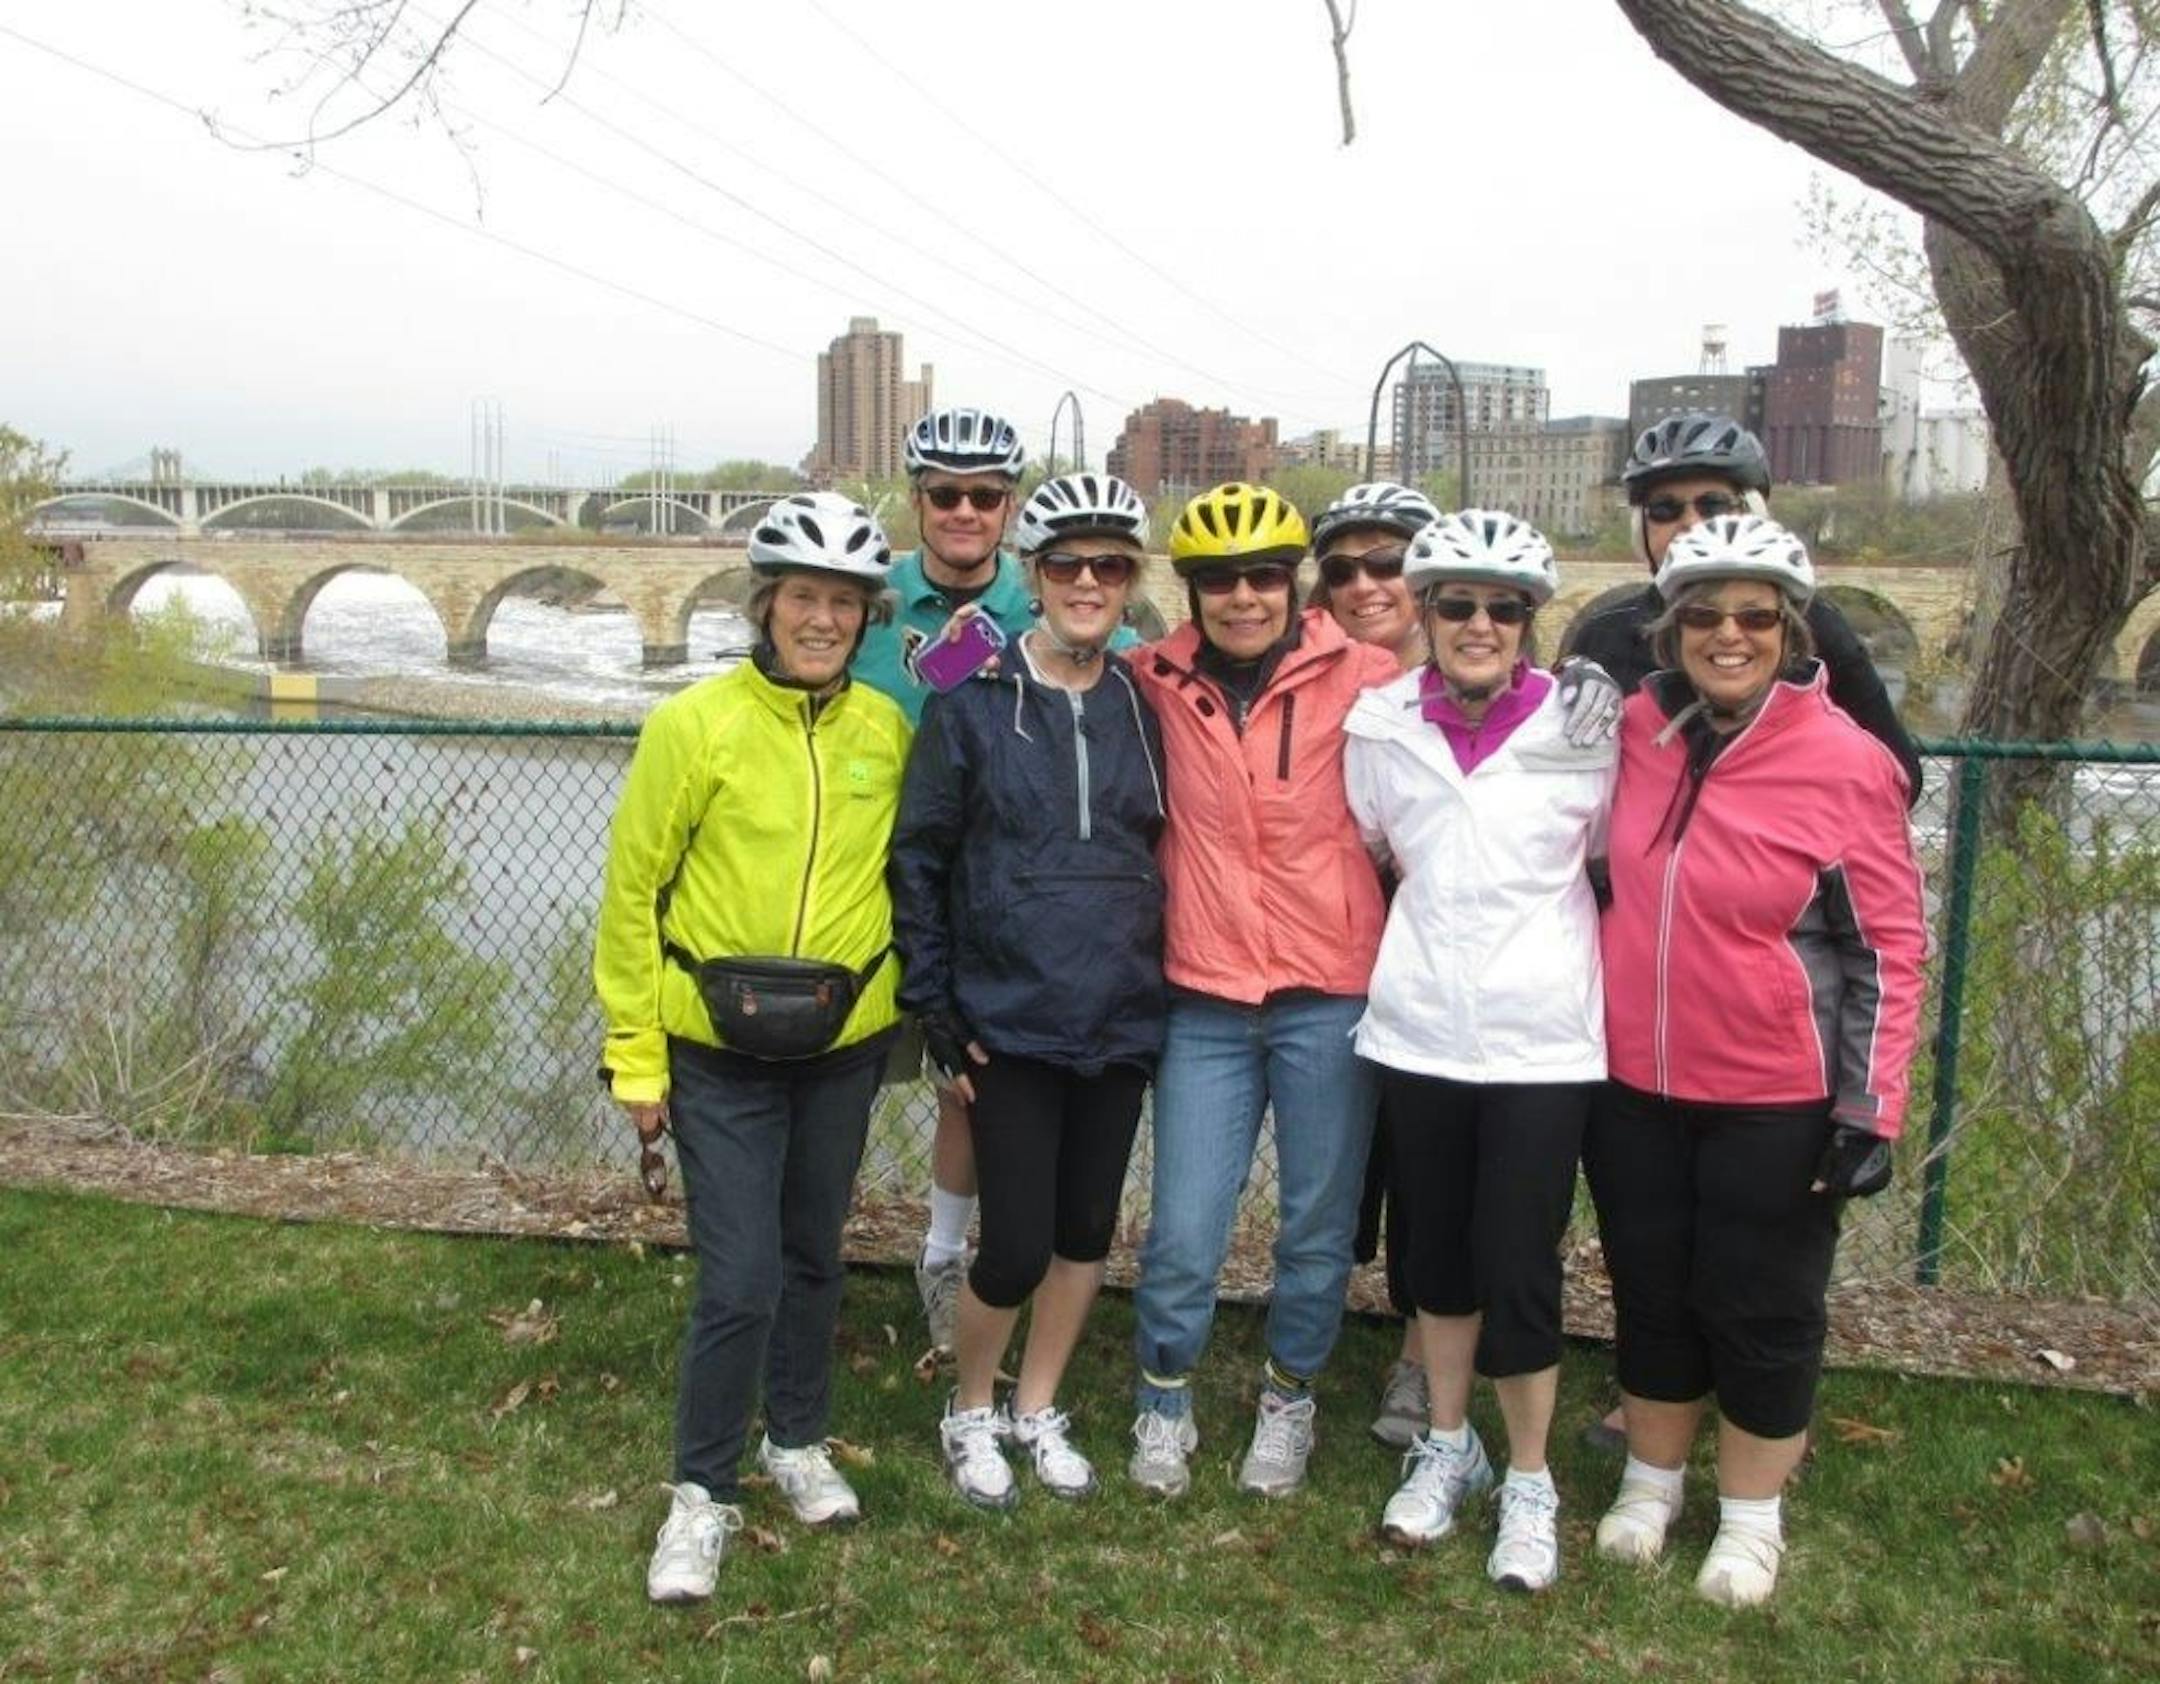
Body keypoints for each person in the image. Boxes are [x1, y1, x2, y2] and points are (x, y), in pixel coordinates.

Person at [1561, 411, 1922, 1459]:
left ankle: (1750, 1460)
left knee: (1758, 1278)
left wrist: (1783, 831)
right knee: (1652, 1265)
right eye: (1664, 508)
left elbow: (1884, 794)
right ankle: (1656, 1432)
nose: (1685, 522)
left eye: (1710, 504)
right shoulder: (1607, 636)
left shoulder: (1813, 636)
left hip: (1769, 1041)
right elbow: (1564, 791)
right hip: (1637, 1039)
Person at [596, 493, 911, 1606]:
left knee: (815, 1256)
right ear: (765, 605)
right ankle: (700, 1489)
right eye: (802, 597)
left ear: (867, 618)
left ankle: (797, 1437)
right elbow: (633, 892)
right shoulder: (695, 726)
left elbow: (910, 878)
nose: (822, 619)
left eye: (844, 602)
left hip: (841, 1045)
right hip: (716, 1050)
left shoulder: (887, 732)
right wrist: (636, 1053)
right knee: (739, 1279)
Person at [1310, 482, 1622, 1450]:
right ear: (1427, 612)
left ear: (1529, 622)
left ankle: (1528, 1471)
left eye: (1504, 608)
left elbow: (1606, 853)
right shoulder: (1379, 725)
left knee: (1520, 1266)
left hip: (1544, 1041)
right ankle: (1446, 1445)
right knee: (1435, 1260)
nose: (1479, 625)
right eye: (1456, 605)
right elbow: (1378, 842)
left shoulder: (1584, 729)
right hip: (1420, 1029)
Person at [889, 472, 1168, 1509]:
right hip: (1006, 1017)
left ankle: (1037, 1404)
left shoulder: (1147, 703)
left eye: (1110, 566)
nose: (1088, 582)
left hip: (1118, 1009)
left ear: (1130, 581)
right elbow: (921, 857)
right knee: (1010, 1245)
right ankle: (971, 1406)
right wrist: (935, 1004)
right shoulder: (972, 699)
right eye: (1066, 565)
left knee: (1086, 1231)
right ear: (1034, 574)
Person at [1125, 481, 1398, 1500]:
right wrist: (950, 660)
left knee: (1317, 1227)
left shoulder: (1369, 676)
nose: (1243, 597)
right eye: (1219, 581)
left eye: (1264, 577)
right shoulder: (1149, 679)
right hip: (1204, 996)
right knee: (1184, 1227)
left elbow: (1484, 685)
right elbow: (1047, 674)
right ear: (1191, 593)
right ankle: (1163, 1396)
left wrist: (1575, 680)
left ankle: (1290, 1396)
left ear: (1294, 584)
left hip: (1330, 992)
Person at [848, 407, 1040, 1359]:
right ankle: (801, 1260)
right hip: (857, 881)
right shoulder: (867, 600)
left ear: (1009, 506)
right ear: (917, 500)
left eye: (985, 496)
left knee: (970, 1088)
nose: (965, 511)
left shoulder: (1042, 606)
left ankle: (943, 1259)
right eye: (946, 494)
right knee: (838, 1079)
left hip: (981, 892)